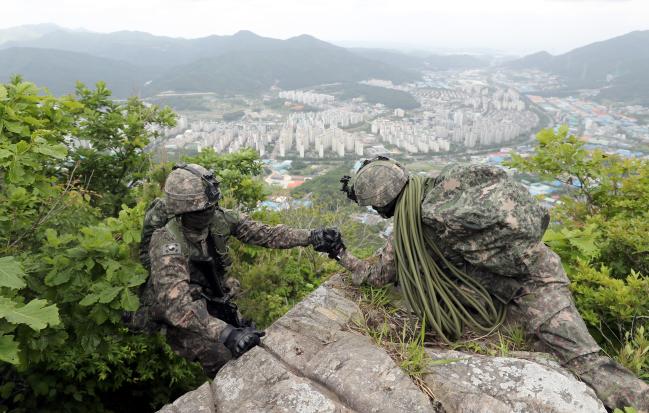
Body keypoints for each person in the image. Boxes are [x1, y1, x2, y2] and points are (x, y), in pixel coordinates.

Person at [334, 156, 648, 412]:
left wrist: (340, 253)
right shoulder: (442, 188)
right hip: (526, 274)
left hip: (533, 285)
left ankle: (638, 401)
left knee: (585, 360)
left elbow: (375, 276)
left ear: (381, 204)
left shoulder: (420, 222)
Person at [131, 163, 341, 377]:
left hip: (210, 298)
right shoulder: (167, 243)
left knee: (247, 335)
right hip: (178, 312)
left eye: (212, 206)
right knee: (222, 357)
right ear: (187, 210)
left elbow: (265, 234)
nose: (212, 211)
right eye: (205, 208)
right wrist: (227, 334)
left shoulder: (218, 219)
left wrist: (311, 236)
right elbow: (177, 308)